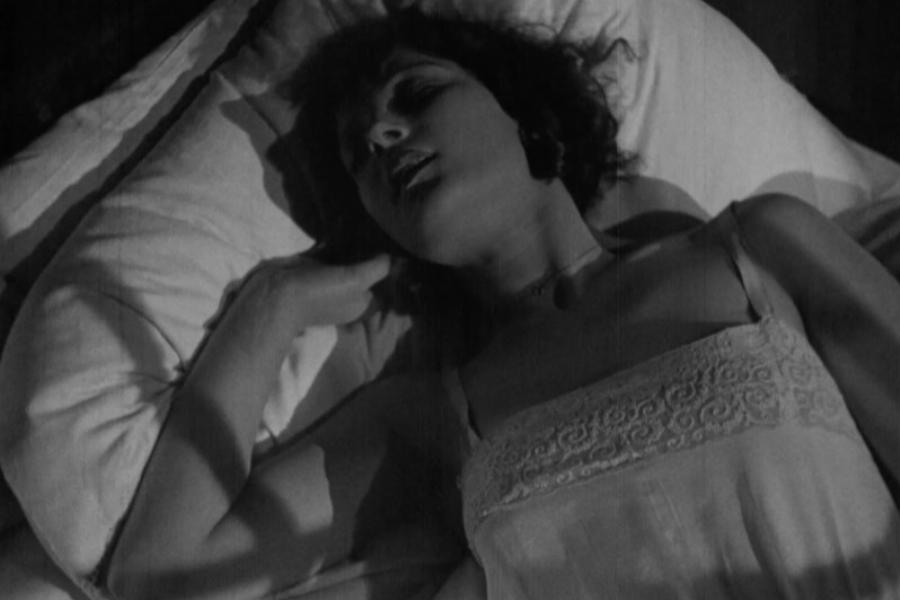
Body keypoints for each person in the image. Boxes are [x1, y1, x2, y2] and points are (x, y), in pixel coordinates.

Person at [106, 8, 900, 600]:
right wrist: (271, 305)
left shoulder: (759, 247)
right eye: (356, 154)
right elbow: (161, 580)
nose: (381, 135)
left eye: (416, 95)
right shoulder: (429, 417)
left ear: (525, 112)